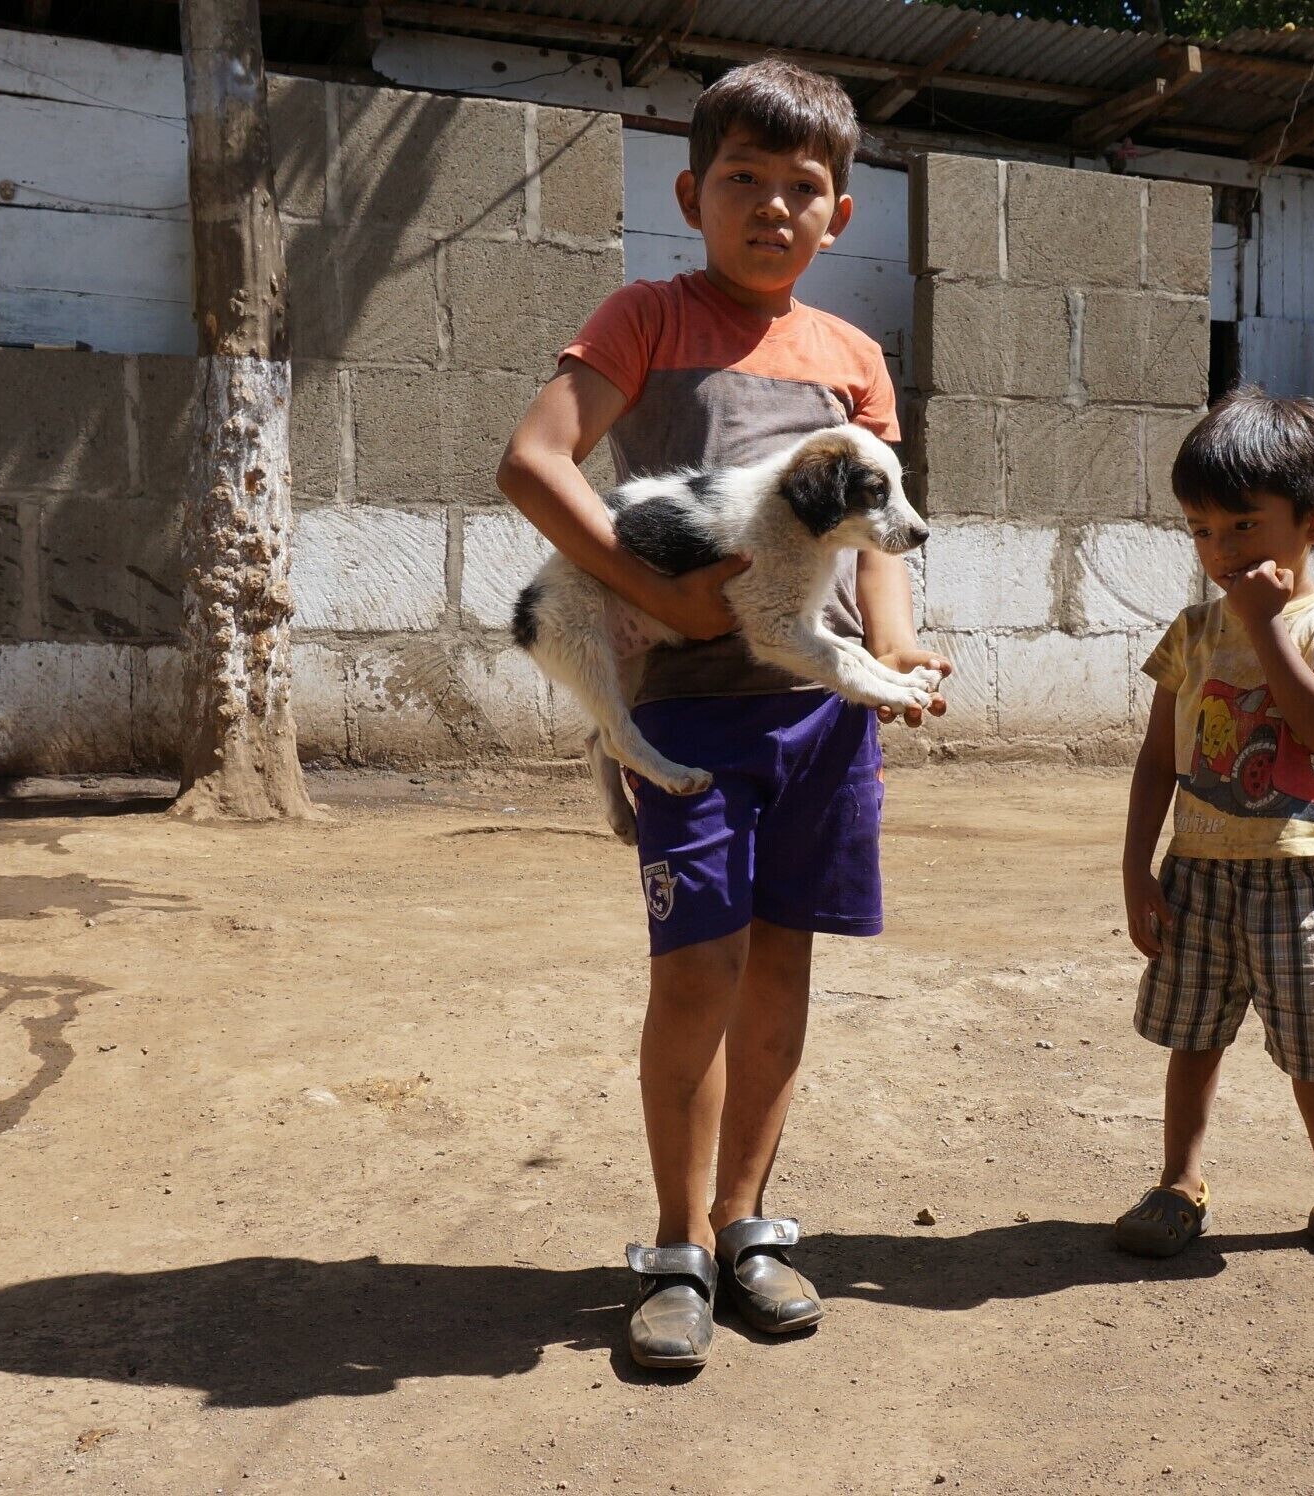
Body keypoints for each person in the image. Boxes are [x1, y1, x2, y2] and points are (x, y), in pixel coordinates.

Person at [495, 58, 949, 1370]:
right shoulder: (646, 316)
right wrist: (656, 597)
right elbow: (534, 461)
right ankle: (678, 1245)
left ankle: (751, 1226)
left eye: (803, 187)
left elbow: (875, 538)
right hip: (688, 715)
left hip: (821, 722)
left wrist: (904, 649)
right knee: (697, 970)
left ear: (839, 216)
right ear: (692, 194)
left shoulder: (853, 357)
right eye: (742, 180)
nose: (771, 207)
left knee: (785, 968)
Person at [1110, 385, 1314, 1274]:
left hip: (1301, 870)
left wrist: (1266, 626)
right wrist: (1138, 870)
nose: (1219, 551)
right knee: (1193, 1034)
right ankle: (1180, 1185)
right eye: (1201, 531)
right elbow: (1157, 761)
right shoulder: (1193, 633)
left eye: (1242, 527)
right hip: (1199, 869)